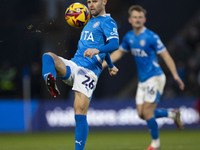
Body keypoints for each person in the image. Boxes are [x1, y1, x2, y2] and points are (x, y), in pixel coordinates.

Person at [102, 5, 185, 150]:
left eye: (140, 17)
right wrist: (104, 64)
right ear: (130, 20)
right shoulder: (129, 37)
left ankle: (155, 144)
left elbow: (165, 55)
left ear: (144, 19)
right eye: (135, 17)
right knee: (142, 114)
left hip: (155, 77)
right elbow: (120, 53)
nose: (137, 20)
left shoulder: (151, 37)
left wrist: (175, 75)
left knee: (147, 112)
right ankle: (173, 115)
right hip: (142, 81)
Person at [42, 0, 119, 150]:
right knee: (48, 56)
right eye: (88, 1)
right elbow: (103, 47)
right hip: (74, 65)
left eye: (94, 1)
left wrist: (100, 55)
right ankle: (50, 81)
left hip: (89, 73)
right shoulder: (89, 21)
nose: (90, 4)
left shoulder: (108, 21)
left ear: (104, 1)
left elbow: (114, 44)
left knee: (79, 113)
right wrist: (110, 64)